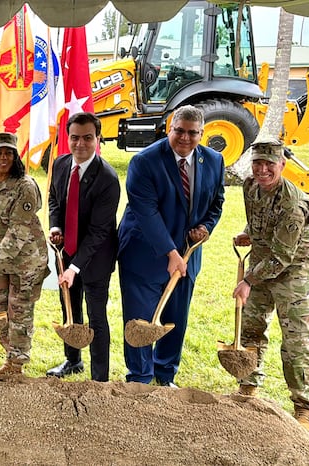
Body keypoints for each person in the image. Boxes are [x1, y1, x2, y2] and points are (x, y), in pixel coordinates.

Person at [118, 105, 225, 387]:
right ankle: (139, 377)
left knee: (176, 317)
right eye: (179, 131)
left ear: (202, 133)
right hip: (144, 252)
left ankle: (165, 375)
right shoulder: (144, 161)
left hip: (187, 256)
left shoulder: (214, 161)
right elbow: (146, 212)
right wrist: (170, 252)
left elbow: (217, 202)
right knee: (140, 319)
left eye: (192, 133)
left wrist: (206, 227)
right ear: (169, 129)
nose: (185, 138)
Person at [232, 139, 309, 433]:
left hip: (295, 270)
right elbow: (258, 218)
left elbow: (283, 257)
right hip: (263, 262)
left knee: (296, 338)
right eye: (257, 163)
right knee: (251, 327)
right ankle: (248, 385)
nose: (262, 170)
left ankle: (304, 406)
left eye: (269, 164)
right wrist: (249, 232)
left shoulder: (292, 205)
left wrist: (247, 280)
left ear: (282, 165)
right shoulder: (250, 186)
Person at [47, 112, 120, 382]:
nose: (80, 144)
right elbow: (54, 199)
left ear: (98, 139)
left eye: (88, 138)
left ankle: (99, 378)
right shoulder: (60, 164)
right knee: (69, 308)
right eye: (74, 137)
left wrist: (75, 267)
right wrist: (56, 227)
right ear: (67, 138)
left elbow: (99, 231)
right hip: (65, 254)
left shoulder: (108, 178)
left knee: (96, 317)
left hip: (95, 258)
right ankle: (73, 360)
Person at [0, 132, 50, 376]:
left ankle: (16, 365)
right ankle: (9, 357)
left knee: (19, 313)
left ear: (16, 156)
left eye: (8, 153)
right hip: (0, 261)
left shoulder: (25, 186)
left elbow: (19, 229)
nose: (3, 158)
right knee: (3, 311)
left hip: (25, 261)